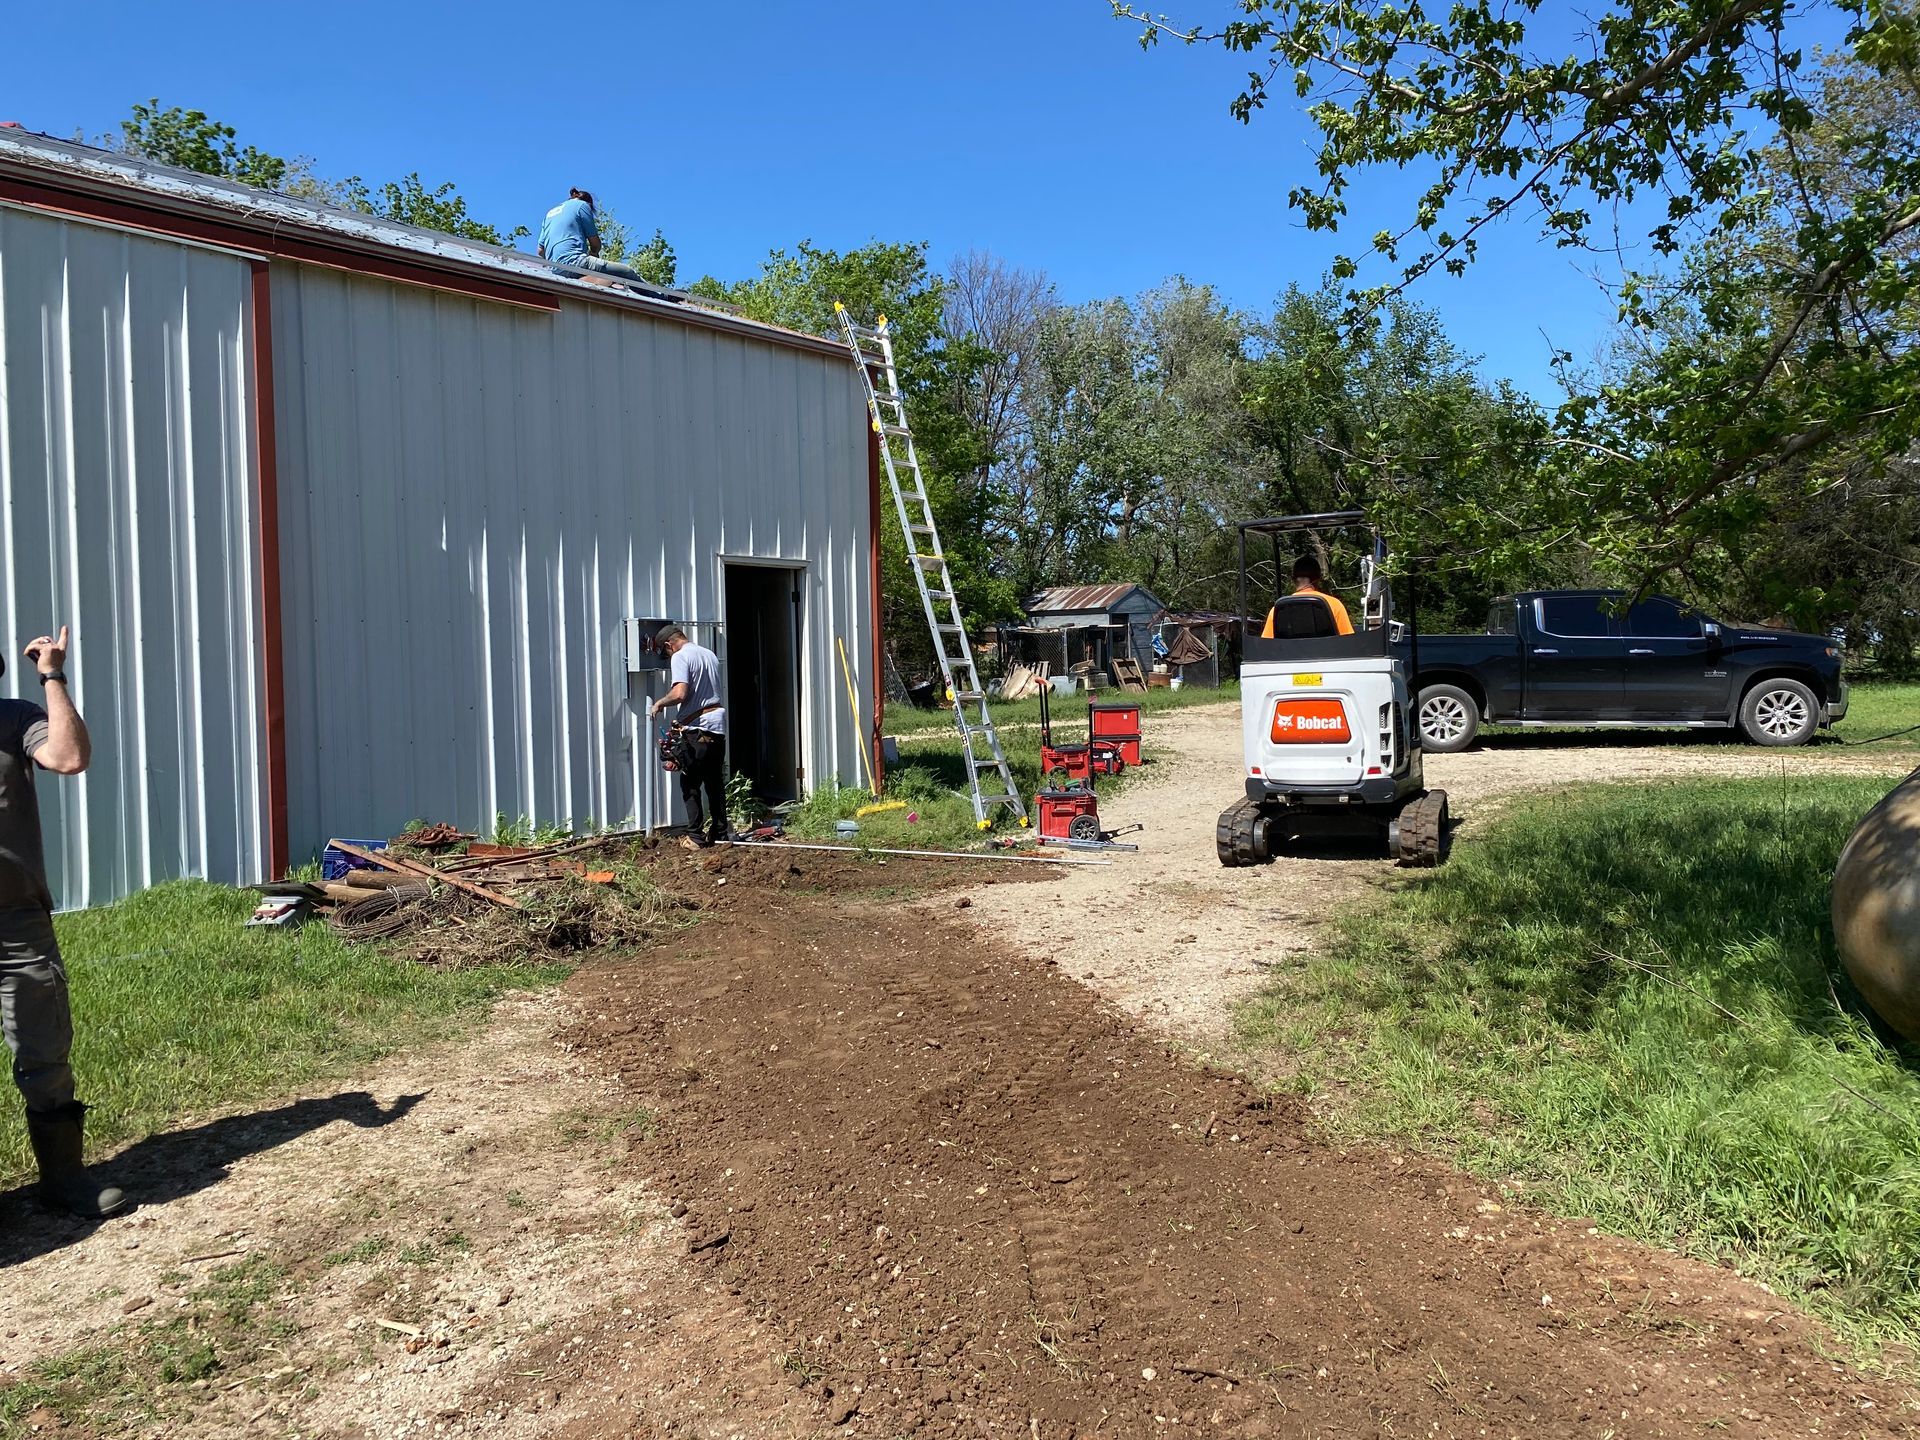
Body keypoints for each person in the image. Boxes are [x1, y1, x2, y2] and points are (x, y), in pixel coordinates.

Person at [1, 625, 126, 1218]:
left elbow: (70, 757)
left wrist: (53, 676)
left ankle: (63, 1178)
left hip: (16, 919)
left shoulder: (14, 718)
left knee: (45, 1052)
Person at [647, 627, 729, 849]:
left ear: (669, 645)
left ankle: (695, 837)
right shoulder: (708, 654)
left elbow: (680, 693)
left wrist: (659, 703)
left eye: (667, 653)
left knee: (690, 782)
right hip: (716, 726)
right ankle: (720, 832)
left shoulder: (681, 656)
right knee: (714, 781)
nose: (669, 657)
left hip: (697, 728)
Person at [536, 187, 650, 284]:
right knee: (627, 272)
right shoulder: (582, 205)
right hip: (576, 263)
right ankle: (658, 296)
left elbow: (540, 251)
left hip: (555, 270)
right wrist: (593, 253)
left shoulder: (549, 214)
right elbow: (595, 244)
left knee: (598, 280)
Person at [1263, 554, 1355, 639]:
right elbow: (1348, 642)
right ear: (1318, 579)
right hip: (1326, 652)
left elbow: (1267, 645)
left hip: (1290, 652)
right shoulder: (1334, 605)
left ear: (1293, 579)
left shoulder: (1278, 610)